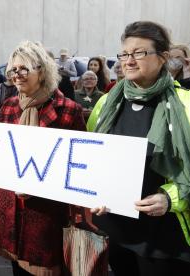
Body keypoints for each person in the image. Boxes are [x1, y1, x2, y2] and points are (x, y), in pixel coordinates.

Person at [89, 21, 190, 275]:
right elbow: (92, 156)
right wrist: (95, 192)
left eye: (139, 53)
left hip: (164, 237)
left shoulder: (185, 105)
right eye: (124, 53)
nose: (129, 60)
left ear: (163, 58)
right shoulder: (106, 103)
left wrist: (169, 198)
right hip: (116, 229)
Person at [0, 41, 85, 276]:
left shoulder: (69, 109)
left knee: (45, 270)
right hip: (9, 210)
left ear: (42, 70)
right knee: (16, 268)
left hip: (45, 213)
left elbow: (77, 167)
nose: (17, 75)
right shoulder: (9, 105)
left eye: (23, 68)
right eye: (13, 70)